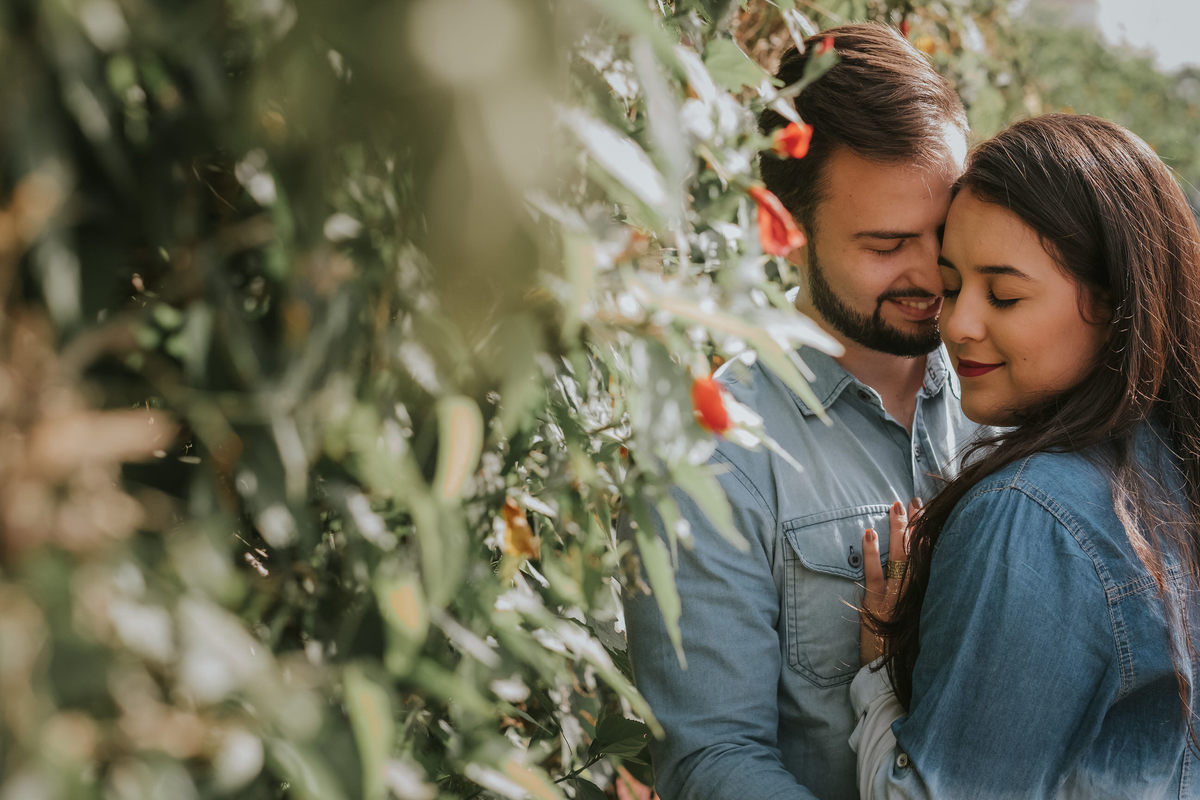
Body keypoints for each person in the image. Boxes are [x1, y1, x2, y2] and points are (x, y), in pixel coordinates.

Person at [622, 23, 985, 800]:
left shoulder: (1015, 396)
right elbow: (712, 761)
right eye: (886, 246)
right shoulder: (713, 454)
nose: (929, 272)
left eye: (944, 231)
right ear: (782, 228)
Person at [852, 113, 1200, 798]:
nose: (957, 324)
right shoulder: (1169, 470)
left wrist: (877, 676)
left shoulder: (1033, 517)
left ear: (1114, 302)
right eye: (951, 288)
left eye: (1004, 295)